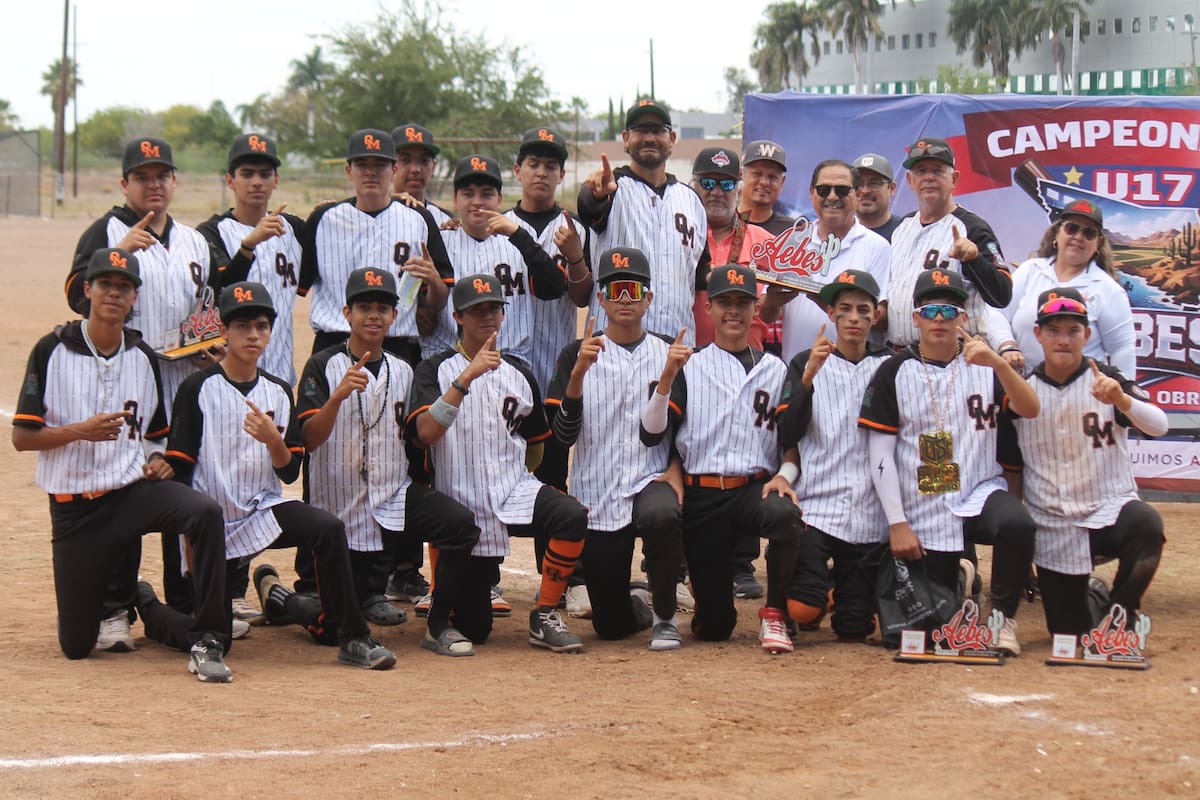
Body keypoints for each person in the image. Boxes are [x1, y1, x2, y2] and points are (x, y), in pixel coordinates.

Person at [154, 280, 396, 671]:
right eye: (242, 326)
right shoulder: (197, 388)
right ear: (223, 330)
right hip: (209, 520)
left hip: (259, 510)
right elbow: (180, 472)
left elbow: (288, 471)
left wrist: (272, 440)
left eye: (261, 326)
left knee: (327, 528)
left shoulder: (279, 391)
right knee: (212, 631)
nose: (253, 335)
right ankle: (148, 605)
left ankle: (353, 636)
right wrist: (190, 543)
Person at [14, 248, 232, 681]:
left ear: (134, 297)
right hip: (77, 512)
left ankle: (209, 634)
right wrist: (79, 431)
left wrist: (157, 459)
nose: (114, 293)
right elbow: (23, 438)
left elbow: (154, 433)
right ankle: (144, 600)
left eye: (124, 286)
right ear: (87, 289)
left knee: (204, 512)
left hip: (132, 494)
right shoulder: (51, 349)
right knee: (77, 647)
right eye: (106, 284)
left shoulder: (141, 355)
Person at [66, 136, 227, 627]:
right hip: (127, 381)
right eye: (142, 176)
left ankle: (185, 599)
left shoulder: (195, 241)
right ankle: (115, 607)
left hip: (185, 381)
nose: (153, 184)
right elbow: (76, 294)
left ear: (174, 181)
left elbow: (209, 305)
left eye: (161, 176)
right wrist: (116, 253)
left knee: (185, 485)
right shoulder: (107, 230)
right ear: (125, 183)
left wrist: (207, 344)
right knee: (124, 488)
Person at [297, 267, 481, 655]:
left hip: (393, 493)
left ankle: (438, 624)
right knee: (332, 630)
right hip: (337, 502)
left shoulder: (404, 370)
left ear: (395, 315)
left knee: (459, 524)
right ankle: (283, 600)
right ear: (347, 313)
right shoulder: (323, 365)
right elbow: (309, 440)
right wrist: (336, 399)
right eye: (364, 307)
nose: (374, 315)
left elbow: (415, 439)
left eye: (383, 308)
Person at [859, 268, 1038, 655]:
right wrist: (897, 523)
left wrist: (1000, 364)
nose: (939, 319)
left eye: (949, 311)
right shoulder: (894, 370)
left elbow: (1030, 408)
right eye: (930, 311)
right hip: (923, 503)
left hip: (979, 490)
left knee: (1018, 523)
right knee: (931, 627)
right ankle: (960, 580)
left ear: (963, 318)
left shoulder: (986, 365)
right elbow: (880, 455)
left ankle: (1002, 621)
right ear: (916, 318)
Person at [408, 274, 589, 653]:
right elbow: (424, 434)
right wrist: (467, 377)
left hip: (512, 491)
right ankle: (443, 604)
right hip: (459, 500)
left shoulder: (519, 374)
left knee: (570, 514)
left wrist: (518, 478)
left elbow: (537, 446)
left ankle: (544, 614)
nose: (487, 316)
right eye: (477, 310)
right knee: (475, 628)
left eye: (494, 308)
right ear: (458, 317)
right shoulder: (434, 370)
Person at [640, 264, 804, 654]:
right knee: (715, 628)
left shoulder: (775, 369)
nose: (733, 311)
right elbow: (653, 433)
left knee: (784, 515)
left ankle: (776, 613)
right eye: (724, 302)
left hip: (751, 490)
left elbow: (791, 443)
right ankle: (694, 599)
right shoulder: (690, 364)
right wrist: (666, 378)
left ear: (756, 309)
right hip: (703, 495)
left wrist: (785, 475)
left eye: (742, 303)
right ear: (708, 308)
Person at [1000, 287, 1166, 638]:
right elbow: (1013, 472)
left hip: (1109, 510)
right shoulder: (1021, 394)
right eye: (1053, 330)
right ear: (1037, 334)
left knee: (1146, 525)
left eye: (1073, 330)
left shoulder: (1108, 381)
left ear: (1087, 335)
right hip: (1053, 523)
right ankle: (1094, 595)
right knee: (1069, 634)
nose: (1063, 340)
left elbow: (1159, 426)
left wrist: (1123, 400)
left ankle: (1122, 614)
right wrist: (1020, 549)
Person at [546, 247, 685, 650]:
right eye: (615, 290)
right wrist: (576, 377)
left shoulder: (667, 352)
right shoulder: (576, 352)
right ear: (601, 298)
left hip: (650, 477)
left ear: (649, 298)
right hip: (598, 489)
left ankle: (664, 616)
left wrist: (675, 467)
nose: (625, 299)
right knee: (610, 626)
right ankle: (637, 602)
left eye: (634, 290)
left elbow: (666, 434)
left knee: (661, 515)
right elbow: (563, 437)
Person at [197, 132, 305, 624]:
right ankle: (229, 589)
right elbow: (208, 299)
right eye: (247, 173)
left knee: (263, 482)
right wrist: (248, 246)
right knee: (226, 483)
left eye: (265, 173)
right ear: (230, 180)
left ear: (276, 179)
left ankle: (245, 583)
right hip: (228, 381)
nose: (256, 181)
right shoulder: (210, 234)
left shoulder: (294, 230)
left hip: (277, 378)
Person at [777, 269, 892, 642]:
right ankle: (818, 594)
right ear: (831, 313)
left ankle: (837, 593)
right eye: (845, 309)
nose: (854, 318)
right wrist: (808, 378)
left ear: (876, 315)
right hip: (817, 505)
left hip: (869, 511)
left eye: (863, 310)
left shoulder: (889, 365)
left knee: (854, 630)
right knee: (801, 609)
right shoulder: (804, 361)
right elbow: (787, 432)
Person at [507, 127, 594, 617]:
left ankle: (558, 580)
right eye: (533, 163)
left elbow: (581, 296)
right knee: (492, 472)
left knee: (553, 480)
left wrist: (575, 254)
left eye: (551, 165)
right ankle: (485, 576)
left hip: (554, 374)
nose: (541, 172)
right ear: (518, 170)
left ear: (561, 175)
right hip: (504, 378)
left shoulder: (574, 228)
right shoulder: (495, 225)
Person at [297, 128, 453, 365]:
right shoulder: (323, 219)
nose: (370, 172)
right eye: (362, 164)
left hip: (396, 344)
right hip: (334, 342)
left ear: (393, 170)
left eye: (379, 165)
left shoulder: (419, 218)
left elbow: (439, 301)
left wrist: (433, 281)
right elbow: (296, 285)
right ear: (349, 170)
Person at [577, 99, 709, 345]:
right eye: (641, 130)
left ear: (672, 138)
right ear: (626, 138)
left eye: (658, 130)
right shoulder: (612, 186)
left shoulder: (691, 200)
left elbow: (700, 272)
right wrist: (594, 193)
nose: (649, 137)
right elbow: (588, 207)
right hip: (612, 348)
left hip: (677, 345)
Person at [759, 159, 891, 364]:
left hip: (854, 370)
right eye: (823, 190)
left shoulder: (876, 246)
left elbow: (881, 320)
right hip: (797, 369)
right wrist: (773, 301)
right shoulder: (792, 240)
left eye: (842, 190)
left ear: (857, 195)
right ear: (811, 193)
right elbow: (765, 315)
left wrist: (830, 303)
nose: (832, 196)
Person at [886, 137, 1012, 348]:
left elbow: (1002, 295)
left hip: (956, 354)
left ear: (954, 178)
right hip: (902, 355)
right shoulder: (901, 228)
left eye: (937, 171)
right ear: (910, 180)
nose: (928, 177)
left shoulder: (972, 227)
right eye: (921, 171)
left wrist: (975, 260)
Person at [998, 199, 1135, 377]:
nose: (1078, 237)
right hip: (1022, 385)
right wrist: (1007, 345)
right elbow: (999, 313)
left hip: (1083, 389)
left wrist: (1122, 390)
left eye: (1089, 233)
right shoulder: (1030, 270)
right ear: (1057, 232)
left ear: (1098, 243)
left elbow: (1122, 348)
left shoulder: (1108, 290)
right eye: (1071, 228)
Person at [690, 146, 773, 350]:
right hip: (688, 358)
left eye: (727, 185)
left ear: (738, 190)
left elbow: (771, 313)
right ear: (692, 187)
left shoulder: (766, 243)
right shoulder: (679, 238)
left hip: (747, 361)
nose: (717, 192)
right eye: (708, 183)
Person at [391, 123, 453, 225]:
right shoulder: (373, 214)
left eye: (424, 161)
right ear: (390, 165)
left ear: (433, 166)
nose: (415, 169)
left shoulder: (446, 222)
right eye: (406, 160)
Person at [738, 140, 795, 235]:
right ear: (741, 174)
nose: (764, 182)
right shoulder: (722, 224)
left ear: (782, 182)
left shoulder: (793, 231)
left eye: (772, 177)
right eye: (757, 174)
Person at [851, 153, 901, 242]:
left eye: (874, 184)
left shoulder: (905, 233)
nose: (865, 191)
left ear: (891, 189)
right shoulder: (837, 235)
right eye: (858, 184)